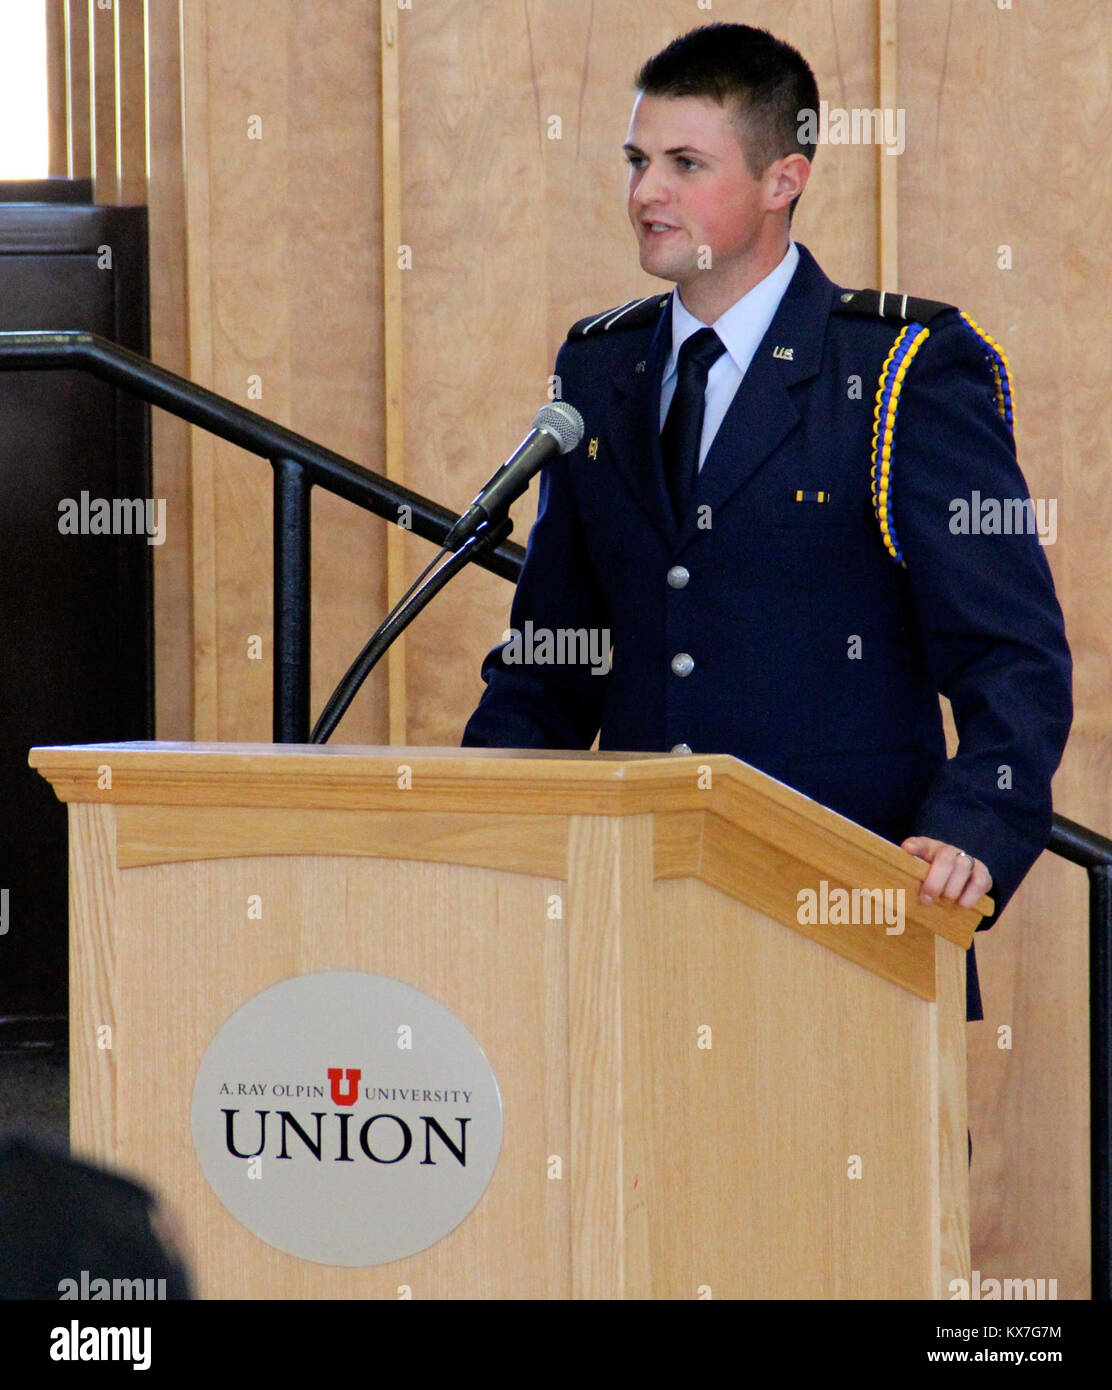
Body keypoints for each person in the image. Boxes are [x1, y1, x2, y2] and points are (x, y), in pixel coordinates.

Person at [462, 22, 1072, 1018]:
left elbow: (1012, 654)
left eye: (685, 164)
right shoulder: (600, 368)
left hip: (849, 921)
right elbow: (553, 661)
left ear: (783, 179)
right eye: (637, 161)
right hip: (633, 923)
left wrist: (974, 827)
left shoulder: (900, 369)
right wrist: (466, 831)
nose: (646, 193)